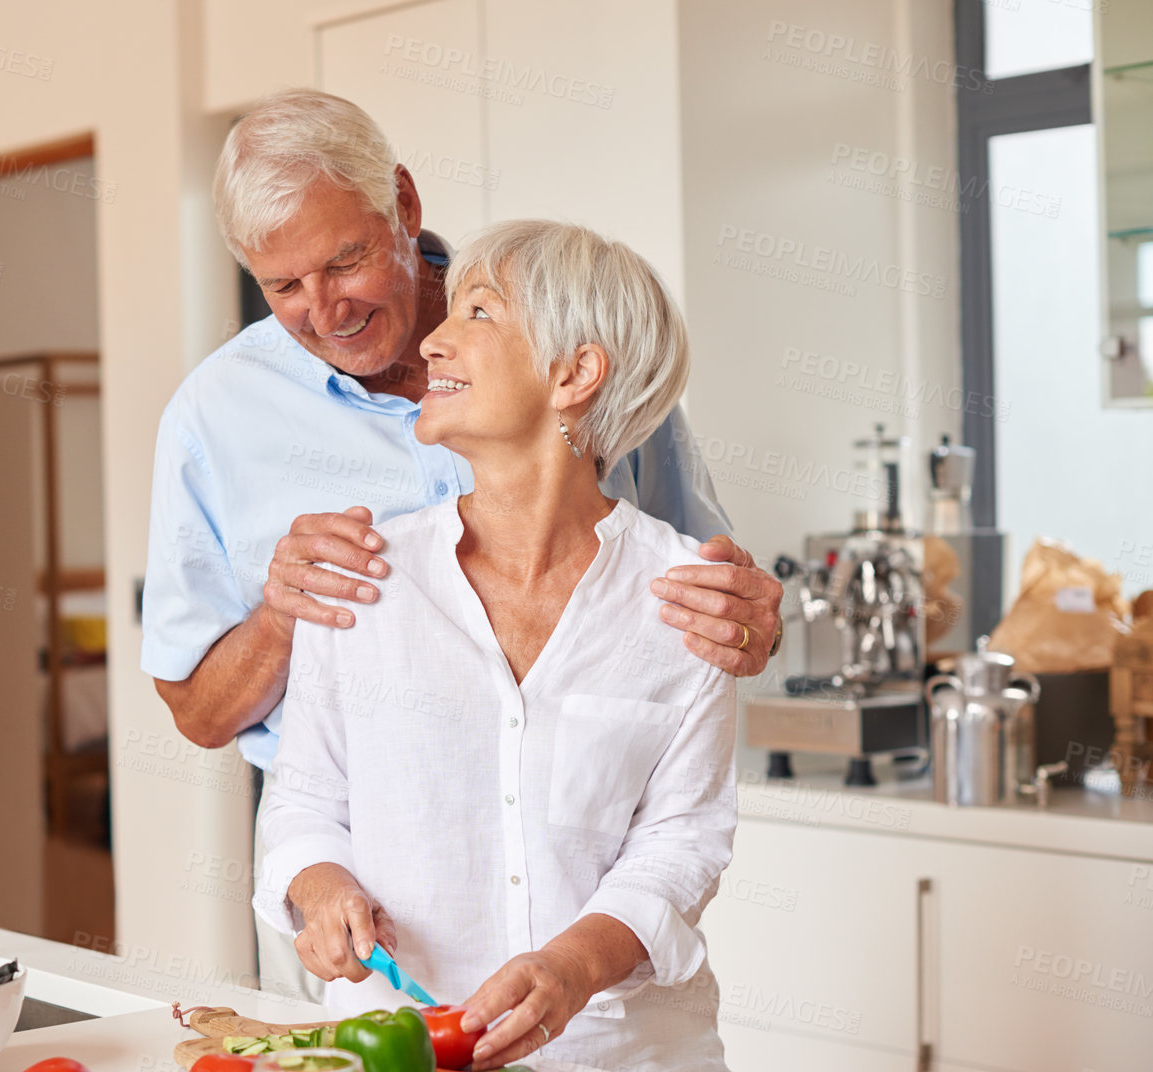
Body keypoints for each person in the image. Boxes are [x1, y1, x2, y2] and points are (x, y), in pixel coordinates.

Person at [142, 88, 781, 1000]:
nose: (322, 311)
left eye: (344, 261)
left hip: (588, 899)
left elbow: (708, 610)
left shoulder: (569, 331)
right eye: (282, 287)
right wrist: (287, 614)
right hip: (361, 883)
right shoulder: (215, 416)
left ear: (402, 204)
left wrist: (752, 623)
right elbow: (205, 717)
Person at [256, 218, 740, 1072]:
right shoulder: (360, 575)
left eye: (476, 311)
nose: (433, 338)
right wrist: (320, 887)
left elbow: (681, 842)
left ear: (573, 374)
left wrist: (569, 968)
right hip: (395, 1066)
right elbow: (303, 801)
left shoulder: (687, 598)